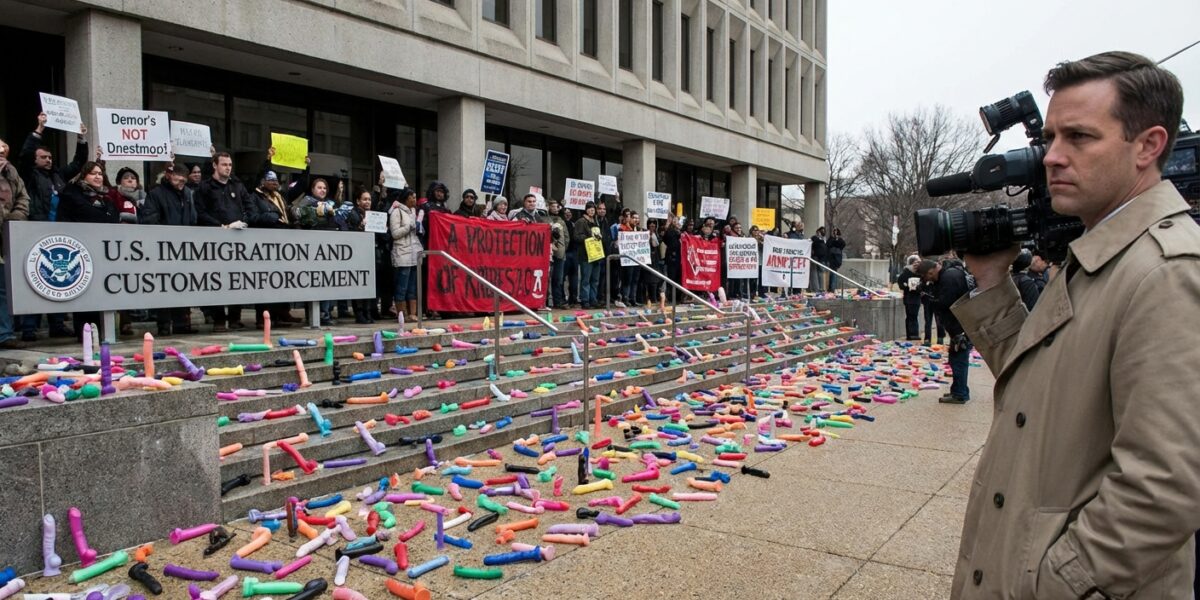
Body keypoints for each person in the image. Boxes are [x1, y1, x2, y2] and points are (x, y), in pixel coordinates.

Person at [946, 52, 1200, 599]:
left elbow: (1165, 487)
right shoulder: (1098, 253)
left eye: (1079, 138)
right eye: (1051, 138)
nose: (1052, 158)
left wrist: (1054, 581)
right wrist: (992, 284)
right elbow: (1036, 389)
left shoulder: (1165, 273)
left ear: (1148, 146)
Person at [17, 114, 88, 341]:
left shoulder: (57, 175)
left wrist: (81, 139)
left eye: (49, 157)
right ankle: (29, 327)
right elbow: (26, 155)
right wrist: (38, 129)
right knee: (35, 277)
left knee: (58, 281)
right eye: (43, 157)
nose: (48, 160)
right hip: (36, 232)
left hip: (58, 234)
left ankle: (57, 323)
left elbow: (78, 164)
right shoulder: (28, 175)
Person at [196, 151, 252, 332]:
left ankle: (235, 318)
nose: (227, 168)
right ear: (215, 165)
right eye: (224, 164)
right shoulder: (205, 187)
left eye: (229, 165)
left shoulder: (237, 186)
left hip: (237, 240)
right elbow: (200, 213)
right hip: (214, 241)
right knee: (217, 281)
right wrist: (222, 226)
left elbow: (249, 207)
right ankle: (218, 320)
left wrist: (243, 222)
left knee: (237, 280)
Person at [141, 162, 199, 335]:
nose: (181, 181)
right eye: (177, 177)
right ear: (168, 175)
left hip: (184, 247)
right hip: (163, 247)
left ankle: (182, 323)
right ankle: (164, 325)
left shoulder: (188, 193)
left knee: (183, 285)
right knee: (164, 287)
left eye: (183, 178)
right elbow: (149, 219)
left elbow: (193, 218)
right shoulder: (156, 194)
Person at [914, 257, 972, 403]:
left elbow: (945, 302)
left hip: (961, 326)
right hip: (960, 325)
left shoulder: (949, 278)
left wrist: (928, 299)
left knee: (959, 360)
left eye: (926, 276)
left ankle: (960, 394)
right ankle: (959, 390)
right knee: (955, 359)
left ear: (931, 271)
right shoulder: (948, 275)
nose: (927, 280)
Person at [0, 151, 30, 348]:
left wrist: (13, 219)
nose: (2, 153)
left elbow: (23, 198)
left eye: (4, 150)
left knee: (3, 290)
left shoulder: (11, 173)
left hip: (4, 237)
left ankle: (5, 334)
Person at [388, 188, 421, 322]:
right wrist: (409, 227)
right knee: (402, 286)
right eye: (412, 197)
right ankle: (401, 314)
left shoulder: (413, 212)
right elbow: (395, 233)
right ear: (406, 198)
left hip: (414, 253)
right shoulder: (397, 212)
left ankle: (412, 313)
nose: (415, 199)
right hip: (402, 253)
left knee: (412, 286)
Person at [573, 202, 603, 309]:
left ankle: (593, 299)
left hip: (596, 254)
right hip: (586, 254)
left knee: (595, 279)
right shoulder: (581, 222)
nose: (592, 211)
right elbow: (576, 237)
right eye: (589, 209)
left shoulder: (596, 221)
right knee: (586, 279)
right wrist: (589, 238)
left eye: (593, 209)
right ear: (586, 210)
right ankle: (585, 300)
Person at [544, 199, 569, 309]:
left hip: (560, 254)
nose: (555, 208)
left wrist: (562, 249)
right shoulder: (544, 219)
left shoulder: (561, 220)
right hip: (547, 254)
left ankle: (557, 301)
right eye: (552, 206)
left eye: (556, 206)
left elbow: (566, 237)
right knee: (546, 279)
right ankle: (544, 302)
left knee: (558, 279)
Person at [897, 255, 923, 341]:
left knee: (911, 316)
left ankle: (911, 334)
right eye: (917, 262)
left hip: (912, 297)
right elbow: (901, 283)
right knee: (912, 316)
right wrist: (907, 286)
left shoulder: (915, 272)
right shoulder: (909, 273)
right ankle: (913, 334)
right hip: (911, 297)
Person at [561, 206, 580, 306]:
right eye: (566, 212)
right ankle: (563, 298)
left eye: (569, 212)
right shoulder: (561, 224)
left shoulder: (574, 224)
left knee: (574, 278)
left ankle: (573, 298)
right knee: (562, 277)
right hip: (565, 253)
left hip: (574, 253)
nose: (568, 214)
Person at [809, 226, 829, 292]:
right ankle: (816, 288)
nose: (822, 232)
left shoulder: (824, 240)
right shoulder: (814, 238)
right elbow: (814, 242)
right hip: (815, 257)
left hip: (822, 259)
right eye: (821, 231)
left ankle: (821, 288)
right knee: (814, 273)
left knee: (821, 273)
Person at [827, 227, 846, 292]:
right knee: (832, 273)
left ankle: (832, 287)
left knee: (833, 273)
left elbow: (843, 244)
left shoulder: (840, 240)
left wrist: (837, 239)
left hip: (836, 259)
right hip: (831, 258)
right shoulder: (831, 239)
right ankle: (831, 287)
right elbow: (828, 245)